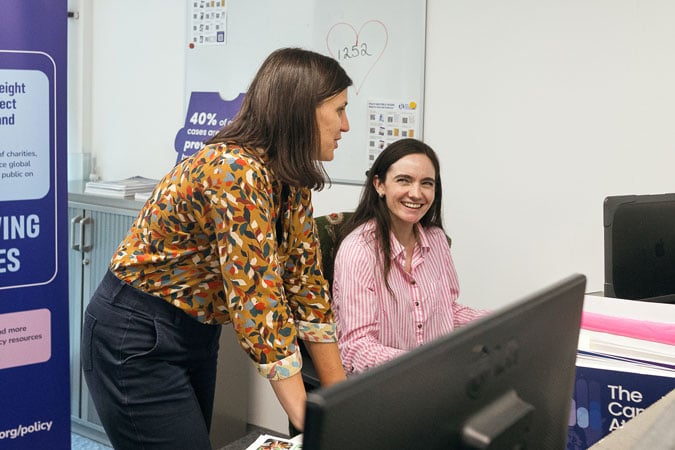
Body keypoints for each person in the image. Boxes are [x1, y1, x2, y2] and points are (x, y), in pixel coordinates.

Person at [81, 47, 352, 449]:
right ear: (301, 111)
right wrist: (307, 417)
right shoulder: (234, 169)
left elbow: (305, 284)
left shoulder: (289, 179)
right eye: (340, 110)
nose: (345, 126)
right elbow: (258, 299)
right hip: (136, 330)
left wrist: (342, 405)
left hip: (196, 331)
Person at [332, 138, 488, 374]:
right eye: (404, 180)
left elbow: (446, 310)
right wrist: (423, 364)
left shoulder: (436, 240)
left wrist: (502, 322)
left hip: (436, 376)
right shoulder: (359, 250)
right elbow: (356, 347)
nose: (416, 193)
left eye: (426, 183)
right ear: (379, 185)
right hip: (383, 386)